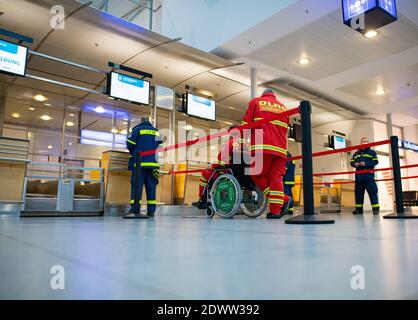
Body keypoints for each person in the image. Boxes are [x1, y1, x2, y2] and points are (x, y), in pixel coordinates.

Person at [242, 88, 293, 219]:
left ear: (263, 95)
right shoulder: (283, 108)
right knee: (276, 178)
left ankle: (284, 199)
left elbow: (246, 124)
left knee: (255, 173)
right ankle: (275, 211)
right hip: (281, 149)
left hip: (262, 145)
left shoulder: (256, 102)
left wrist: (241, 141)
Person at [193, 125, 245, 209]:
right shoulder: (247, 145)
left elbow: (221, 162)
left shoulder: (229, 143)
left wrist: (211, 166)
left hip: (228, 173)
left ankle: (202, 199)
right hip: (244, 176)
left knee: (205, 173)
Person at [126, 117, 162, 217]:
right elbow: (159, 145)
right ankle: (151, 211)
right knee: (151, 188)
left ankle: (135, 210)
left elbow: (129, 144)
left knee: (137, 187)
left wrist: (135, 151)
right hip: (153, 165)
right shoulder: (157, 132)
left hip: (139, 165)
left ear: (141, 122)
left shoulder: (136, 130)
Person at [350, 137, 380, 215]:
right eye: (364, 141)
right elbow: (352, 162)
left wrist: (366, 164)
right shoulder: (356, 153)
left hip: (368, 177)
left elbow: (375, 161)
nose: (365, 142)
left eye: (367, 141)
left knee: (372, 192)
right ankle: (358, 209)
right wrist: (354, 164)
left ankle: (375, 209)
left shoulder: (372, 152)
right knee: (358, 194)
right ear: (361, 143)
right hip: (359, 177)